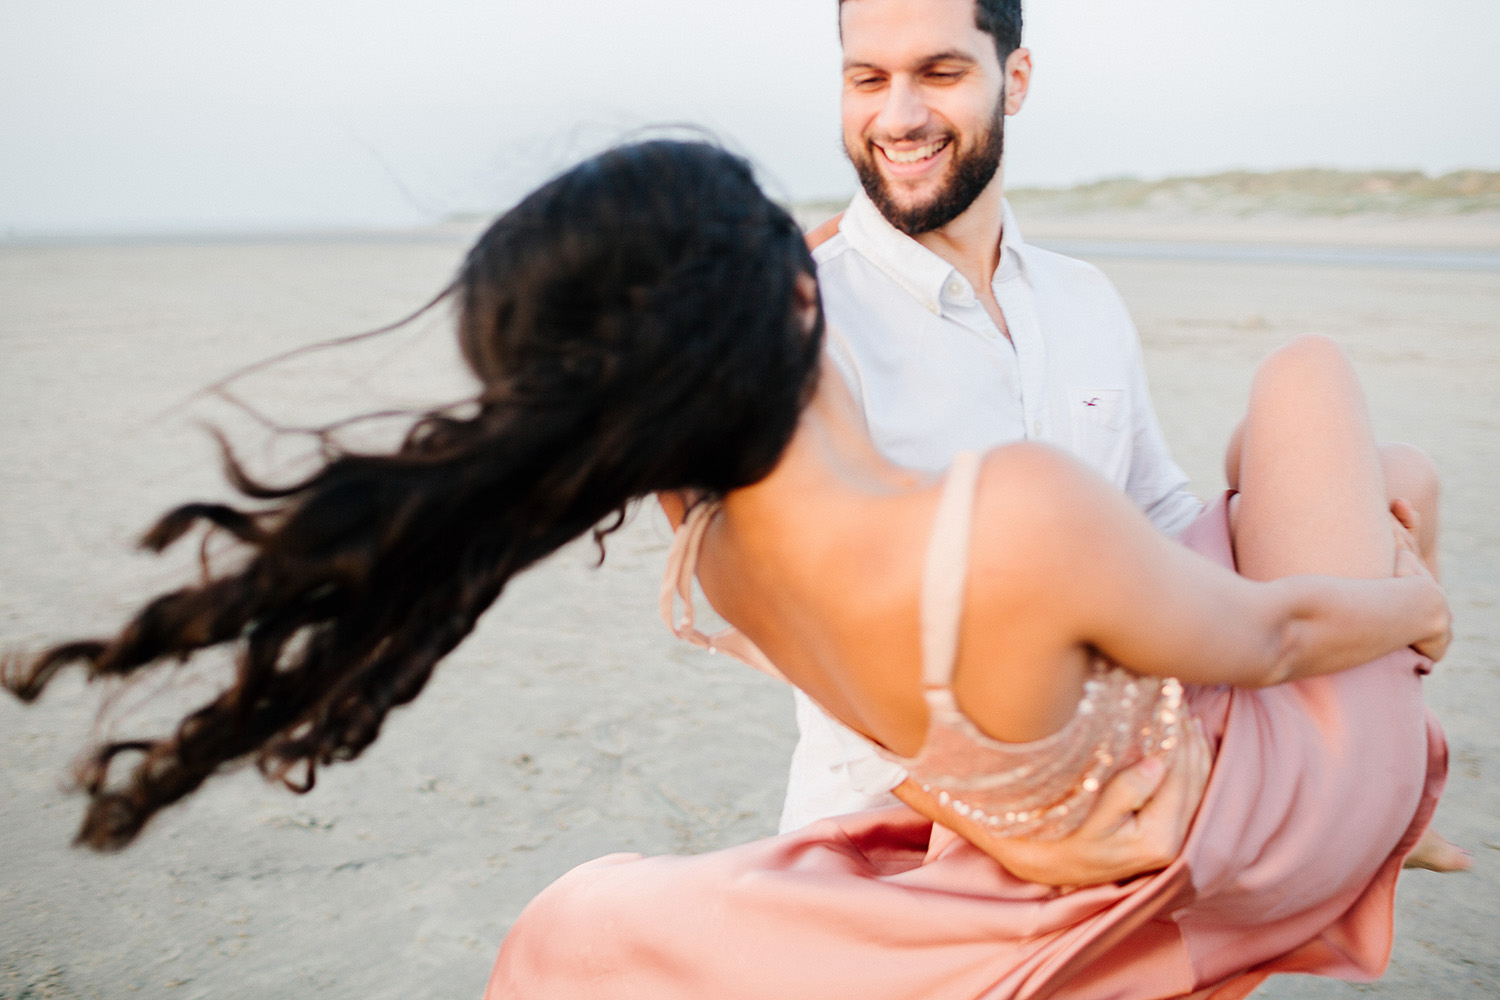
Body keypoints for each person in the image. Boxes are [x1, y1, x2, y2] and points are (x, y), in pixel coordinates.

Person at [3, 142, 1451, 998]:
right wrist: (1417, 608)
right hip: (1256, 828)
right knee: (1316, 391)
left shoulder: (720, 567)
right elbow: (1278, 636)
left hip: (1069, 860)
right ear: (807, 285)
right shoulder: (1011, 514)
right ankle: (1404, 770)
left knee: (1353, 490)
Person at [781, 0, 1205, 835]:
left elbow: (1159, 518)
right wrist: (996, 821)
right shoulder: (803, 318)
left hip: (1111, 790)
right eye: (868, 79)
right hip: (884, 830)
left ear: (1014, 81)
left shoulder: (1083, 297)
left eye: (940, 73)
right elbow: (804, 623)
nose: (898, 118)